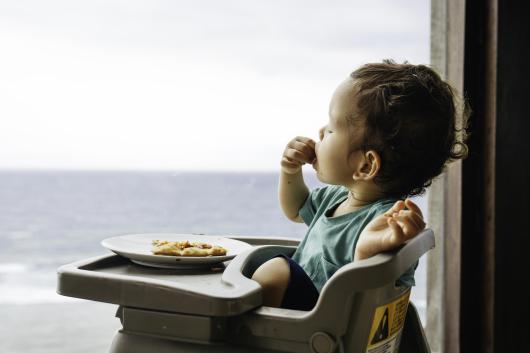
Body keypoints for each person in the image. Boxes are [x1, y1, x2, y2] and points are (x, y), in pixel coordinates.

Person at [251, 59, 470, 311]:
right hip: (308, 318)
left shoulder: (386, 223)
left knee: (275, 271)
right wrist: (290, 171)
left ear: (366, 166)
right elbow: (295, 208)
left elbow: (370, 301)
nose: (321, 131)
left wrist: (368, 250)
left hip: (322, 328)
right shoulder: (337, 197)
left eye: (332, 129)